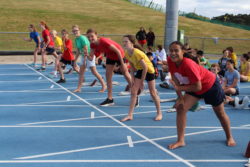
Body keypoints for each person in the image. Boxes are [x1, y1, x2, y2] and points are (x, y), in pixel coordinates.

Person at [167, 41, 236, 150]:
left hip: (210, 86)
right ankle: (181, 140)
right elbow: (175, 79)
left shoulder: (188, 64)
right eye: (171, 50)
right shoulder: (170, 60)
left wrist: (180, 88)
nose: (173, 53)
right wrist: (180, 98)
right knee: (181, 108)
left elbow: (198, 87)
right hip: (192, 86)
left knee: (220, 113)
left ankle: (229, 137)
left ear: (183, 52)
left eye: (176, 50)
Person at [120, 35, 162, 122]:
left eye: (126, 41)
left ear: (132, 43)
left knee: (153, 93)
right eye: (123, 41)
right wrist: (132, 78)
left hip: (149, 71)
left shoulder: (137, 53)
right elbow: (131, 66)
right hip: (140, 70)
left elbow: (146, 67)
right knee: (133, 92)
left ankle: (159, 113)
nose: (124, 43)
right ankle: (130, 115)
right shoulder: (127, 53)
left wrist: (142, 82)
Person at [86, 28, 132, 106]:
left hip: (119, 54)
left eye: (92, 36)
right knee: (108, 76)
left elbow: (117, 51)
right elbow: (91, 58)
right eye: (88, 37)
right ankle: (110, 99)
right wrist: (86, 54)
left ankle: (135, 93)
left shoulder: (103, 41)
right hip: (110, 56)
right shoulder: (92, 44)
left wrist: (122, 65)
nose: (90, 38)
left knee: (125, 73)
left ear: (96, 35)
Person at [70, 25, 106, 93]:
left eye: (76, 30)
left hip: (89, 55)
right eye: (73, 31)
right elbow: (78, 51)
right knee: (81, 73)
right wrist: (75, 61)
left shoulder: (82, 38)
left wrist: (84, 61)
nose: (75, 32)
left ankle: (104, 85)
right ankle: (79, 88)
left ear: (79, 30)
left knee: (94, 72)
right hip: (84, 56)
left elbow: (86, 49)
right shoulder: (76, 39)